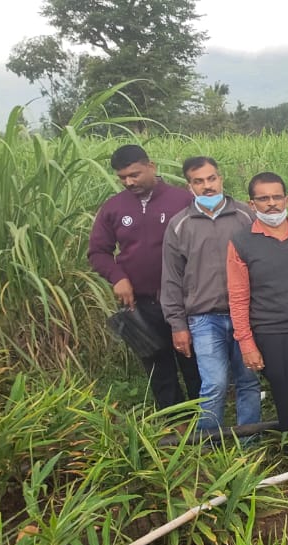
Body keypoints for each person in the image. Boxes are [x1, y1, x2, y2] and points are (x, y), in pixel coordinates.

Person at [89, 144, 201, 409]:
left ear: (151, 167)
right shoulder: (113, 207)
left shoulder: (183, 200)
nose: (129, 181)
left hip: (186, 299)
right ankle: (175, 421)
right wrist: (117, 277)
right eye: (123, 177)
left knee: (194, 361)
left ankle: (206, 418)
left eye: (135, 174)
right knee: (157, 365)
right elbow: (97, 251)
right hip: (142, 302)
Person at [162, 157, 262, 432]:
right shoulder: (180, 224)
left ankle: (249, 443)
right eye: (199, 181)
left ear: (220, 178)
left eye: (212, 179)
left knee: (249, 381)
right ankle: (207, 445)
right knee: (215, 383)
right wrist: (177, 325)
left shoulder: (245, 216)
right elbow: (171, 278)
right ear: (189, 186)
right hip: (204, 319)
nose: (207, 186)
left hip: (245, 316)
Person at [226, 172, 288, 431]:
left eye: (276, 197)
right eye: (263, 199)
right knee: (287, 397)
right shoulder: (241, 242)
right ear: (252, 204)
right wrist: (246, 343)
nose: (271, 203)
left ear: (287, 199)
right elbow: (238, 297)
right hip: (272, 332)